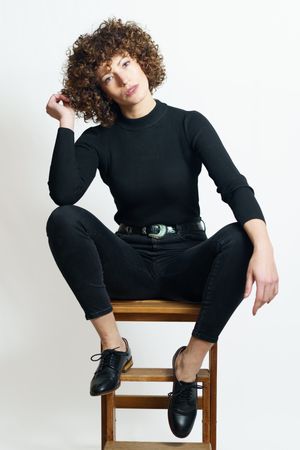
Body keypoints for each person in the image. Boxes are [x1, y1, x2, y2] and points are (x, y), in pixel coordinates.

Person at [45, 17, 279, 438]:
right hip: (129, 263)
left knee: (241, 238)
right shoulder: (99, 139)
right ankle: (114, 347)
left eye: (125, 63)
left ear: (143, 61)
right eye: (108, 77)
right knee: (63, 220)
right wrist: (66, 123)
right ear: (100, 90)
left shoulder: (189, 124)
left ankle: (188, 366)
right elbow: (64, 195)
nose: (122, 79)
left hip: (186, 260)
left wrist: (265, 248)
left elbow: (234, 187)